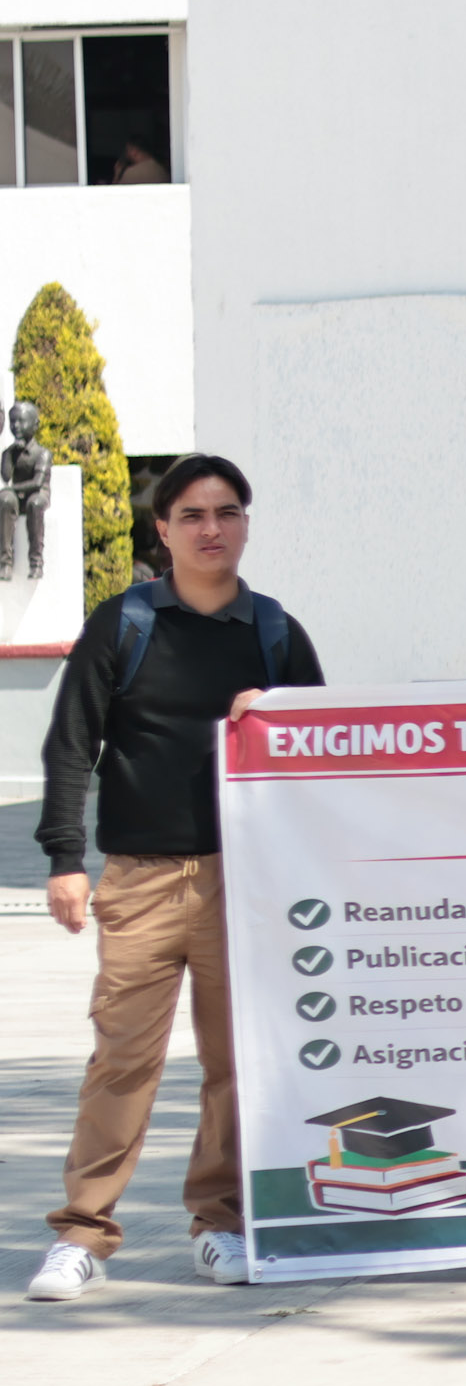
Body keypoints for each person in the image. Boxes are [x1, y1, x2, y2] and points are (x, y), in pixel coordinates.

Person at [26, 455, 325, 1302]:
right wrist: (63, 860)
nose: (211, 529)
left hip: (246, 882)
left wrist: (273, 718)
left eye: (227, 513)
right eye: (192, 515)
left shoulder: (273, 632)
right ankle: (82, 1234)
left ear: (245, 524)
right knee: (124, 1059)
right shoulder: (123, 623)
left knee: (238, 1064)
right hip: (140, 878)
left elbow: (321, 754)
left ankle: (221, 1225)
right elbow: (72, 744)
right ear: (162, 530)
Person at [0, 399, 47, 582]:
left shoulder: (42, 453)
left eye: (21, 421)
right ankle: (5, 561)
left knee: (35, 504)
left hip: (35, 494)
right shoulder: (9, 452)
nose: (16, 426)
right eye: (13, 422)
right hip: (18, 494)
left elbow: (37, 483)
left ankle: (36, 562)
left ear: (35, 425)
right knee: (5, 500)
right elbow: (5, 476)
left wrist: (14, 488)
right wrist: (11, 454)